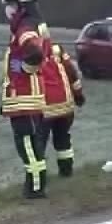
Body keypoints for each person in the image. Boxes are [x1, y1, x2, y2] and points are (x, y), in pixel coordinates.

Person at [0, 0, 52, 199]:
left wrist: (25, 68)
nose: (7, 10)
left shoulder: (25, 28)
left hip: (25, 97)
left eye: (11, 4)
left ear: (22, 5)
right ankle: (35, 184)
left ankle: (35, 187)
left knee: (27, 144)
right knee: (31, 142)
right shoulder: (31, 25)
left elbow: (36, 54)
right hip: (26, 96)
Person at [39, 26, 86, 180]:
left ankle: (39, 177)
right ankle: (66, 171)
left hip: (43, 109)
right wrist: (78, 95)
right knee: (63, 138)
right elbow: (72, 73)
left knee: (39, 143)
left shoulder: (28, 53)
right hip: (64, 106)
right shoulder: (57, 49)